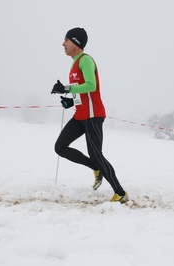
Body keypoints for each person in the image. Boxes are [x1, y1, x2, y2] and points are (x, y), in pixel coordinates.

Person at [51, 27, 129, 203]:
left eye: (66, 40)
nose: (63, 44)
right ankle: (97, 168)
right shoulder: (74, 63)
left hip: (93, 115)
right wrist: (70, 101)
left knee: (96, 154)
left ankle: (121, 193)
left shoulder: (85, 60)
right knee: (60, 147)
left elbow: (91, 85)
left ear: (76, 43)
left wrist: (66, 88)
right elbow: (82, 92)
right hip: (81, 115)